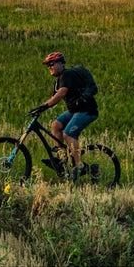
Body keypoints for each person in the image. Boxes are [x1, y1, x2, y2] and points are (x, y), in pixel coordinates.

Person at [31, 52, 99, 180]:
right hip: (75, 110)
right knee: (56, 125)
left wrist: (44, 106)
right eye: (47, 65)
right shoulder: (59, 80)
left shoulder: (66, 74)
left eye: (51, 64)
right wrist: (39, 108)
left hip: (87, 110)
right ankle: (61, 159)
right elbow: (54, 97)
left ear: (61, 64)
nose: (49, 67)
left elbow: (61, 94)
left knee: (68, 134)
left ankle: (80, 165)